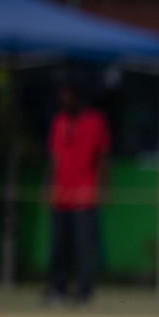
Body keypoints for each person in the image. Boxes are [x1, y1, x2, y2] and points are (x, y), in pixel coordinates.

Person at [46, 84, 110, 305]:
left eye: (68, 99)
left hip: (84, 194)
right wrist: (48, 185)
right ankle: (58, 289)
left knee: (84, 247)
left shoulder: (94, 121)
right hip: (61, 195)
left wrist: (103, 187)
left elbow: (102, 157)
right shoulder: (59, 121)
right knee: (58, 245)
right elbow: (54, 157)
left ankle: (84, 291)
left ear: (77, 98)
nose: (65, 104)